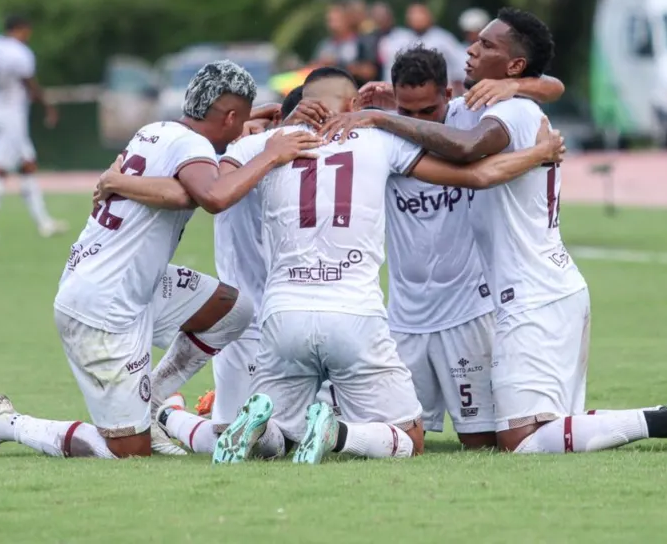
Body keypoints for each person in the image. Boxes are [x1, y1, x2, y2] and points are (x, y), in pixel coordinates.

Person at [316, 8, 667, 455]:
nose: (471, 49)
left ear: (514, 65)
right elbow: (542, 89)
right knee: (529, 434)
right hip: (530, 293)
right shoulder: (486, 104)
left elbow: (468, 149)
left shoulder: (515, 111)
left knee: (521, 441)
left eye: (485, 45)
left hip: (536, 293)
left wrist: (382, 119)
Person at [0, 61, 321, 460]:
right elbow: (211, 196)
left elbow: (186, 190)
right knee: (127, 452)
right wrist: (270, 154)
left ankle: (154, 399)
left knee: (232, 311)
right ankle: (6, 422)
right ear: (231, 116)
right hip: (102, 308)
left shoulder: (157, 130)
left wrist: (117, 181)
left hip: (131, 283)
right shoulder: (193, 148)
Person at [209, 66, 566, 465]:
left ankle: (261, 428)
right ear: (352, 104)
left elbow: (216, 192)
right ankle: (337, 433)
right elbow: (478, 175)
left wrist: (270, 139)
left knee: (282, 432)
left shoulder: (259, 147)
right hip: (354, 314)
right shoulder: (378, 139)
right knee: (409, 436)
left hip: (282, 314)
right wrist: (539, 153)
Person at [379, 46, 565, 450]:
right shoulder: (383, 129)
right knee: (394, 439)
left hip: (467, 310)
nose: (415, 124)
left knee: (481, 441)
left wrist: (513, 82)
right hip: (404, 316)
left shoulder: (474, 112)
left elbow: (553, 86)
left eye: (427, 112)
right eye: (405, 113)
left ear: (449, 94)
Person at [153, 86, 309, 455]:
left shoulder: (338, 160)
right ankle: (168, 414)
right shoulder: (235, 153)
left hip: (307, 318)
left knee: (303, 434)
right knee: (240, 442)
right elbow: (209, 175)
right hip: (248, 326)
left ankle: (170, 412)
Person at [0, 14, 66, 242]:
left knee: (27, 165)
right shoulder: (19, 53)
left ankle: (43, 222)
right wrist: (48, 106)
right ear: (20, 29)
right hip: (12, 118)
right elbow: (29, 84)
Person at [379, 3, 468, 93]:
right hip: (404, 96)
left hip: (437, 95)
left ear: (429, 17)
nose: (417, 19)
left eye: (420, 15)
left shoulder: (443, 39)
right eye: (413, 15)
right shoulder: (397, 39)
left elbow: (461, 65)